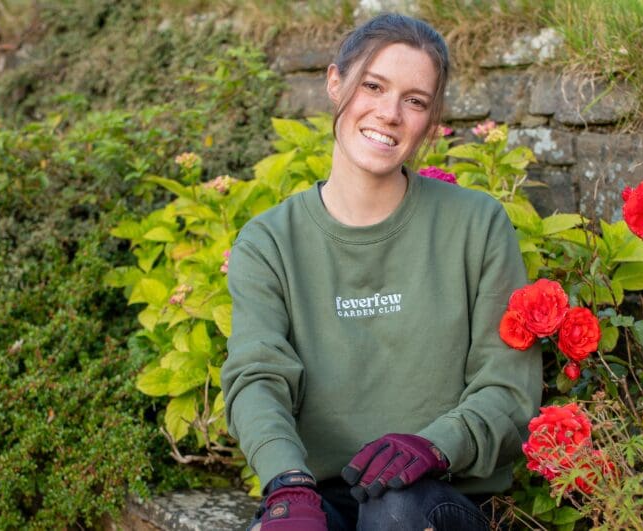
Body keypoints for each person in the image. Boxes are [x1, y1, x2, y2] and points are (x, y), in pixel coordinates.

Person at [221, 12, 542, 531]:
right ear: (335, 83)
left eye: (415, 101)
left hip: (433, 504)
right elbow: (257, 377)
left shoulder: (477, 224)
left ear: (430, 120)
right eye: (373, 85)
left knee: (395, 510)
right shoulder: (269, 242)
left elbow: (507, 388)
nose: (390, 113)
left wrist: (436, 446)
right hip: (317, 499)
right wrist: (285, 483)